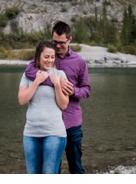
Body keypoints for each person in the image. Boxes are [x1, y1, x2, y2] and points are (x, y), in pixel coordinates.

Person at [24, 21, 91, 173]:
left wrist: (73, 90)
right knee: (53, 169)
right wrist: (57, 82)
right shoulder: (47, 57)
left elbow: (86, 90)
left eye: (61, 43)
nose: (58, 46)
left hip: (71, 123)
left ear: (70, 39)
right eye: (55, 42)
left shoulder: (79, 61)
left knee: (76, 167)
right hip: (50, 125)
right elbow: (29, 70)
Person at [18, 40, 69, 174]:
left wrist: (57, 85)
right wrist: (36, 82)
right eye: (46, 57)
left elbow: (64, 105)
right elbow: (22, 100)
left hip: (54, 132)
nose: (49, 60)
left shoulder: (60, 75)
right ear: (38, 56)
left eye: (52, 57)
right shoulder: (28, 75)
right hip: (31, 133)